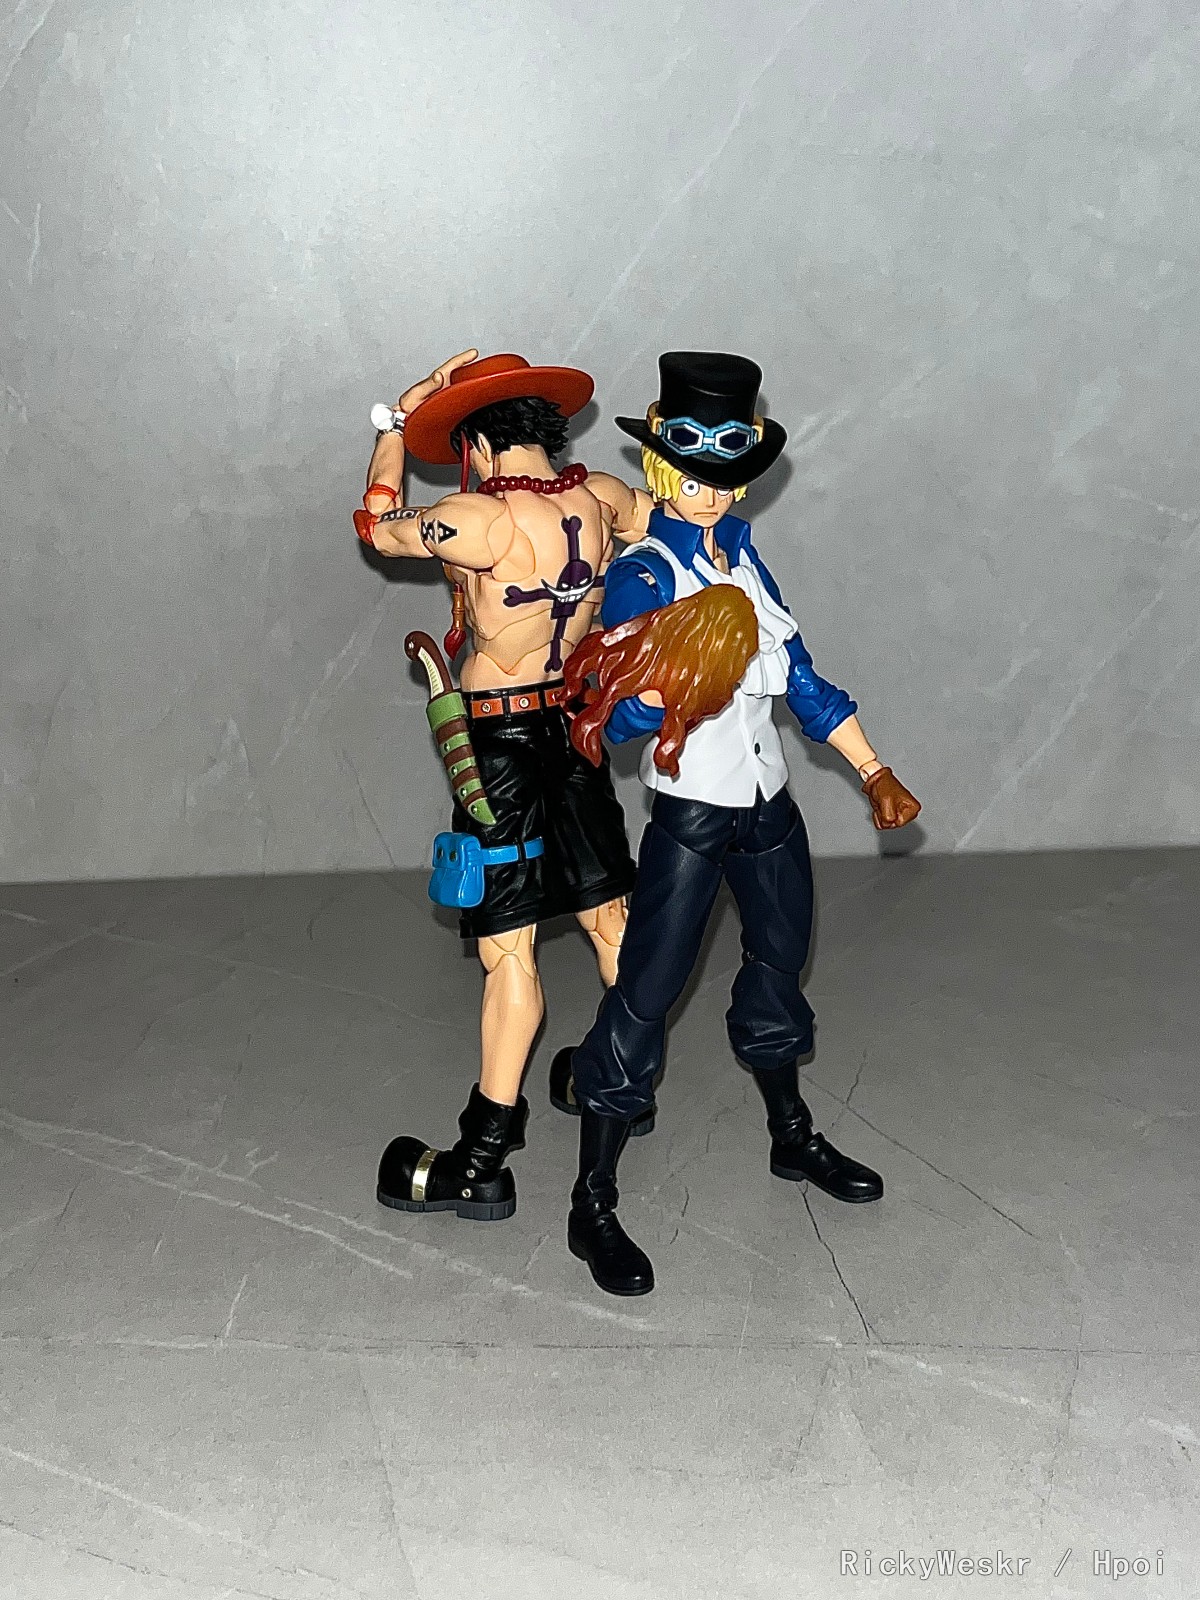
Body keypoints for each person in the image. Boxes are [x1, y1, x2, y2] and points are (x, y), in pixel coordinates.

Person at [552, 352, 921, 1295]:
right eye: (691, 474)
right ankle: (592, 1198)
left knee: (780, 962)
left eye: (723, 475)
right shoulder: (646, 574)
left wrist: (873, 770)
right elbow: (610, 715)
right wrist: (664, 689)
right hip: (693, 810)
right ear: (661, 467)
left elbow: (802, 681)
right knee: (648, 987)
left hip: (767, 804)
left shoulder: (746, 561)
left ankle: (790, 1134)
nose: (708, 493)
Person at [354, 350, 655, 1223]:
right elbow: (670, 520)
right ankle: (622, 1084)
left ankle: (481, 1159)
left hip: (499, 747)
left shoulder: (473, 519)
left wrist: (394, 425)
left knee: (510, 949)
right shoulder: (601, 498)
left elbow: (377, 524)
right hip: (575, 728)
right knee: (609, 916)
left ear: (478, 445)